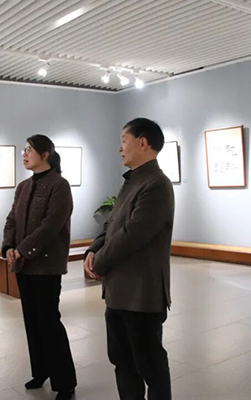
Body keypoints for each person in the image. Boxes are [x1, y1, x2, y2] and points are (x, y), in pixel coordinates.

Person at [84, 118, 175, 400]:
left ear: (143, 142)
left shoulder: (156, 184)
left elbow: (132, 234)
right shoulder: (133, 181)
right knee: (122, 362)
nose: (120, 147)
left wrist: (100, 262)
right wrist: (93, 249)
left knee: (150, 364)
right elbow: (112, 224)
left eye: (124, 140)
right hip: (118, 291)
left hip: (141, 294)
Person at [2, 135, 76, 400]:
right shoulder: (23, 186)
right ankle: (40, 370)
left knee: (49, 322)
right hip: (23, 265)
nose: (24, 154)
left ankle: (64, 382)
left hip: (46, 266)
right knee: (31, 322)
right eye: (24, 149)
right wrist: (9, 247)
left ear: (45, 154)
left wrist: (22, 249)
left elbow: (51, 225)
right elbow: (12, 220)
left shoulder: (59, 185)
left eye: (29, 150)